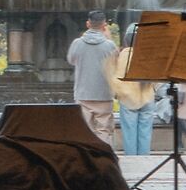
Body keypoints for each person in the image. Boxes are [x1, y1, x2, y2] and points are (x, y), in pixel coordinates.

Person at [67, 10, 120, 146]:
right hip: (104, 94)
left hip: (83, 93)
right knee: (103, 129)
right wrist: (109, 38)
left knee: (84, 131)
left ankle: (87, 160)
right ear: (104, 25)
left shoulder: (77, 43)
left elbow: (71, 60)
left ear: (88, 24)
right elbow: (116, 64)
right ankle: (104, 160)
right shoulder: (109, 45)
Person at [110, 26, 157, 156]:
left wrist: (118, 93)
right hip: (147, 97)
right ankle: (144, 158)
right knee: (146, 131)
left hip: (129, 99)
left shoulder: (123, 55)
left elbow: (117, 78)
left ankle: (132, 160)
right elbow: (156, 78)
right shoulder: (148, 54)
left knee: (129, 132)